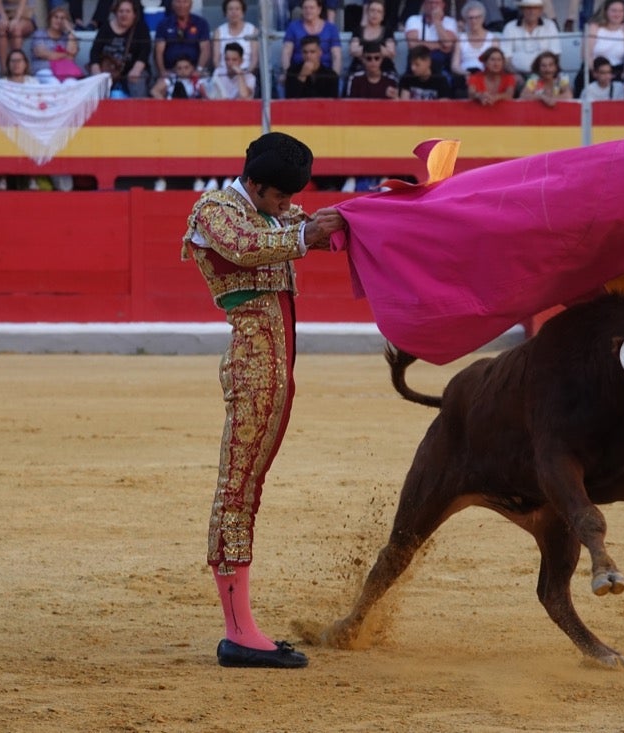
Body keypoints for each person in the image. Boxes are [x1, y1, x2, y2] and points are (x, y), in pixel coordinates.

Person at [181, 131, 345, 670]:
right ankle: (239, 633)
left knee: (248, 482)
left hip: (276, 367)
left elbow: (305, 224)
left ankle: (241, 626)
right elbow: (246, 247)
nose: (288, 205)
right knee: (238, 485)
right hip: (254, 365)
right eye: (279, 197)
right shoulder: (215, 209)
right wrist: (306, 236)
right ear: (254, 182)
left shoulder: (273, 213)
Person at [89, 0, 152, 97]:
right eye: (121, 11)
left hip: (131, 71)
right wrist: (96, 69)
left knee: (137, 81)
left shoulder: (141, 29)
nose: (124, 14)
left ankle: (139, 110)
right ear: (116, 13)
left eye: (127, 11)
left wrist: (136, 69)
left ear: (134, 14)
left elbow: (145, 51)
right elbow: (95, 51)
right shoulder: (105, 27)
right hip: (107, 70)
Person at [577, 0, 624, 95]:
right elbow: (586, 53)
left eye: (621, 11)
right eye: (614, 11)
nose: (618, 14)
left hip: (617, 72)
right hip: (594, 71)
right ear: (605, 11)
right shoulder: (594, 27)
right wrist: (598, 73)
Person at [280, 0, 341, 84]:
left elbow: (336, 55)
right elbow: (286, 52)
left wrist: (334, 77)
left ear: (319, 10)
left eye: (311, 8)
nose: (308, 11)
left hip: (325, 73)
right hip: (298, 71)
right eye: (305, 8)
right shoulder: (293, 27)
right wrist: (287, 73)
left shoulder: (331, 28)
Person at [501, 0, 561, 78]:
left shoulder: (550, 26)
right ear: (522, 10)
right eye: (528, 8)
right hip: (518, 74)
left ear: (541, 10)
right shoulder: (510, 27)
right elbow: (505, 59)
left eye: (535, 8)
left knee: (565, 85)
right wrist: (516, 75)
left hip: (544, 74)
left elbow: (556, 55)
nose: (532, 11)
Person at [155, 0, 211, 78]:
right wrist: (162, 71)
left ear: (191, 4)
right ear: (172, 4)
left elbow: (205, 49)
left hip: (195, 71)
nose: (181, 5)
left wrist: (198, 70)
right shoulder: (163, 24)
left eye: (185, 2)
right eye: (178, 2)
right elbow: (158, 51)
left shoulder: (201, 23)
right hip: (171, 71)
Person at [450, 1, 499, 90]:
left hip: (486, 75)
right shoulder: (461, 38)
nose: (474, 21)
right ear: (466, 20)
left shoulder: (492, 38)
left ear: (483, 19)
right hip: (464, 75)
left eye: (477, 17)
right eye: (470, 18)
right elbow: (455, 65)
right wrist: (466, 73)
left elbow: (496, 63)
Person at [404, 0, 458, 77]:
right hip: (416, 62)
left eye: (436, 3)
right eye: (430, 2)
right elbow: (413, 45)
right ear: (424, 4)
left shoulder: (450, 22)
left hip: (440, 66)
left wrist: (437, 21)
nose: (433, 6)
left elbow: (448, 44)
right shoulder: (413, 19)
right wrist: (440, 45)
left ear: (443, 5)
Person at [30, 4, 83, 82]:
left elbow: (72, 54)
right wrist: (65, 55)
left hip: (64, 71)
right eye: (56, 17)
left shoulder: (68, 37)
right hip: (44, 69)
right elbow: (40, 53)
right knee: (53, 83)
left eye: (62, 18)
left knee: (72, 83)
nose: (58, 20)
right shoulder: (40, 34)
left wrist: (69, 31)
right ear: (50, 19)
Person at [347, 0, 396, 77]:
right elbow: (353, 51)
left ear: (383, 16)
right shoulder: (358, 30)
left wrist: (365, 48)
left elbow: (390, 53)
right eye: (372, 10)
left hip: (384, 69)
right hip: (360, 69)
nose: (375, 14)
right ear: (367, 13)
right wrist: (379, 48)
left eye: (379, 11)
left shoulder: (388, 32)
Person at [212, 0, 258, 77]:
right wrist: (224, 74)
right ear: (225, 12)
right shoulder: (218, 31)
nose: (234, 12)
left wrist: (245, 73)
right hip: (224, 74)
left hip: (246, 73)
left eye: (237, 9)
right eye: (230, 9)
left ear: (243, 12)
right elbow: (216, 59)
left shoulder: (252, 30)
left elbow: (254, 59)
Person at [0, 0, 36, 75]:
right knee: (1, 27)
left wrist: (16, 19)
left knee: (16, 28)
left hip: (25, 15)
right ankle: (4, 70)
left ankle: (18, 68)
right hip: (6, 13)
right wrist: (3, 17)